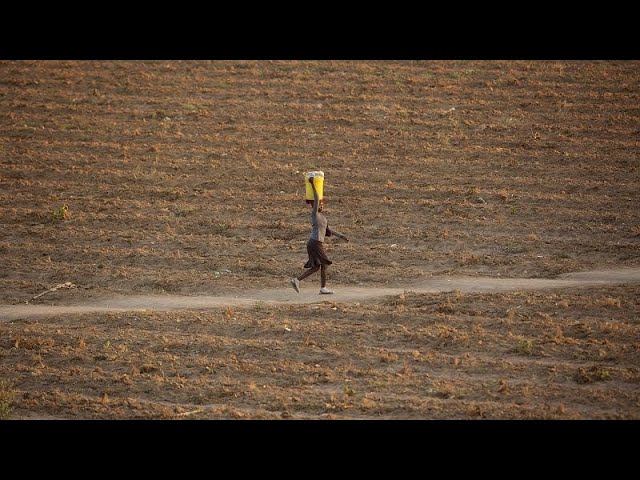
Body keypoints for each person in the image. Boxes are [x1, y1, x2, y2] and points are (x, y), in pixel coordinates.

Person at [291, 176, 349, 294]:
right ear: (315, 205)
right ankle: (323, 288)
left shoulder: (323, 218)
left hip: (315, 243)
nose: (321, 205)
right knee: (325, 264)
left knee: (317, 267)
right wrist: (313, 184)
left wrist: (342, 236)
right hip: (315, 242)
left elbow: (329, 230)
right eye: (320, 204)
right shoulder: (315, 215)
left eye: (322, 204)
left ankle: (297, 280)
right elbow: (317, 198)